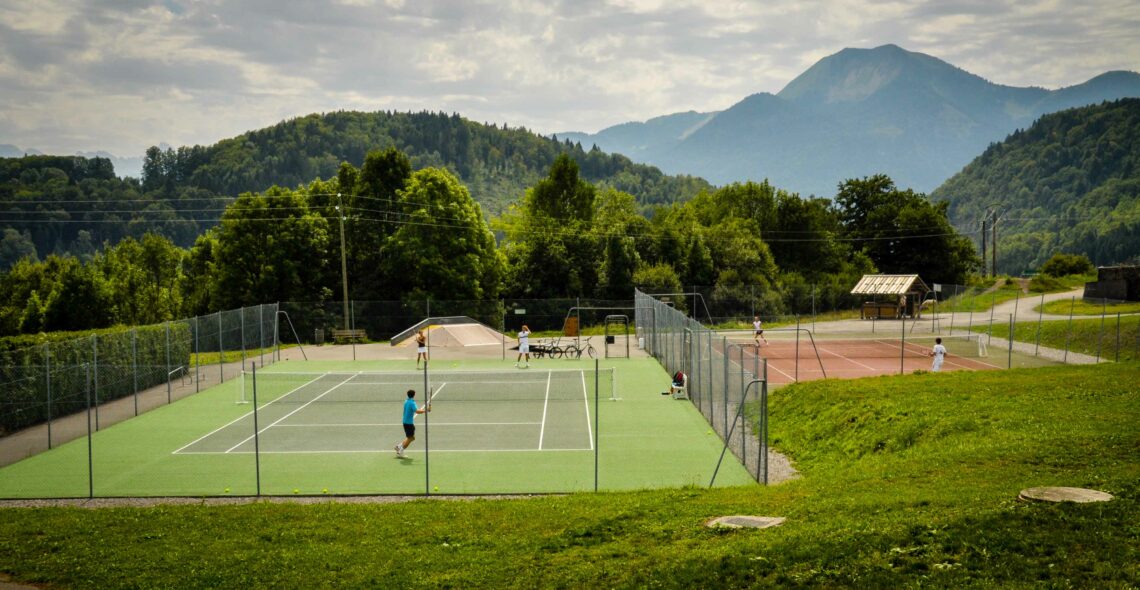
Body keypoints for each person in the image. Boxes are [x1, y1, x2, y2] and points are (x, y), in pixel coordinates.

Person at [394, 389, 430, 458]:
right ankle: (400, 452)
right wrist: (426, 410)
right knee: (411, 438)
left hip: (405, 422)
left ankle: (398, 447)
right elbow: (417, 411)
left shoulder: (406, 401)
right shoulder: (412, 403)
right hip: (409, 423)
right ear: (414, 395)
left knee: (410, 438)